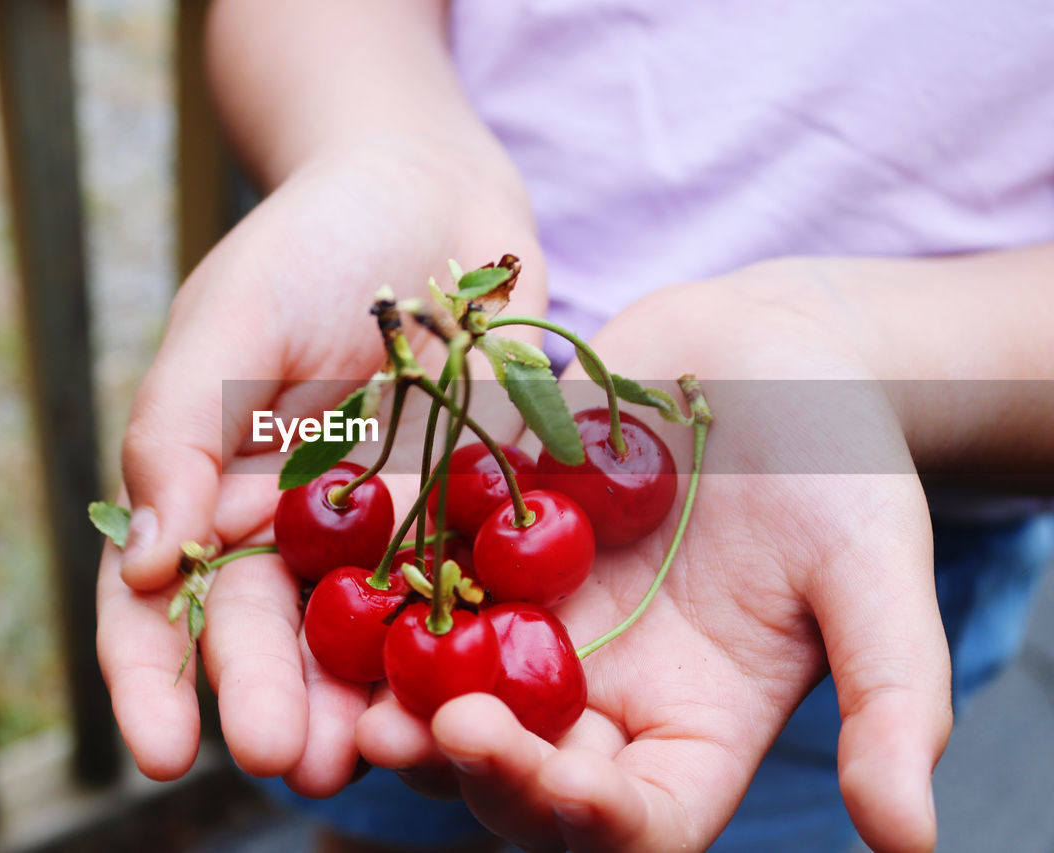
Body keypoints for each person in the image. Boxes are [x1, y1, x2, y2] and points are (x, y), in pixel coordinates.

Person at [95, 1, 1054, 850]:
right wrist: (387, 146)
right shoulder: (432, 535)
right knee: (376, 790)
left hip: (815, 560)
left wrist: (863, 356)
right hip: (436, 431)